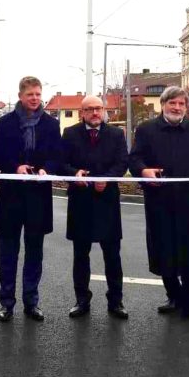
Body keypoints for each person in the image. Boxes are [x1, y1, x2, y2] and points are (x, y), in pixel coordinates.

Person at [129, 86, 189, 323]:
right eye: (172, 104)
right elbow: (135, 159)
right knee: (164, 250)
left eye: (181, 104)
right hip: (159, 202)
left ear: (186, 107)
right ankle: (173, 296)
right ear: (163, 105)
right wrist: (143, 171)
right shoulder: (146, 130)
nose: (177, 108)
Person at [0, 76, 61, 322]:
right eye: (30, 94)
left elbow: (57, 156)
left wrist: (45, 169)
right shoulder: (4, 123)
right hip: (11, 196)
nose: (34, 98)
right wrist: (15, 167)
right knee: (8, 253)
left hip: (38, 197)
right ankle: (6, 303)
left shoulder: (51, 125)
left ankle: (31, 302)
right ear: (20, 96)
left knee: (35, 253)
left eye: (38, 94)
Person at [58, 95, 129, 319]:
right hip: (80, 201)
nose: (95, 113)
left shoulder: (117, 134)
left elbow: (122, 163)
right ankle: (81, 301)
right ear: (82, 113)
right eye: (89, 109)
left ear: (104, 110)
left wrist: (106, 179)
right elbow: (61, 163)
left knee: (113, 256)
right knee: (81, 255)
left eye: (98, 108)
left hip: (107, 201)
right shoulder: (70, 134)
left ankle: (116, 301)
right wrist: (73, 173)